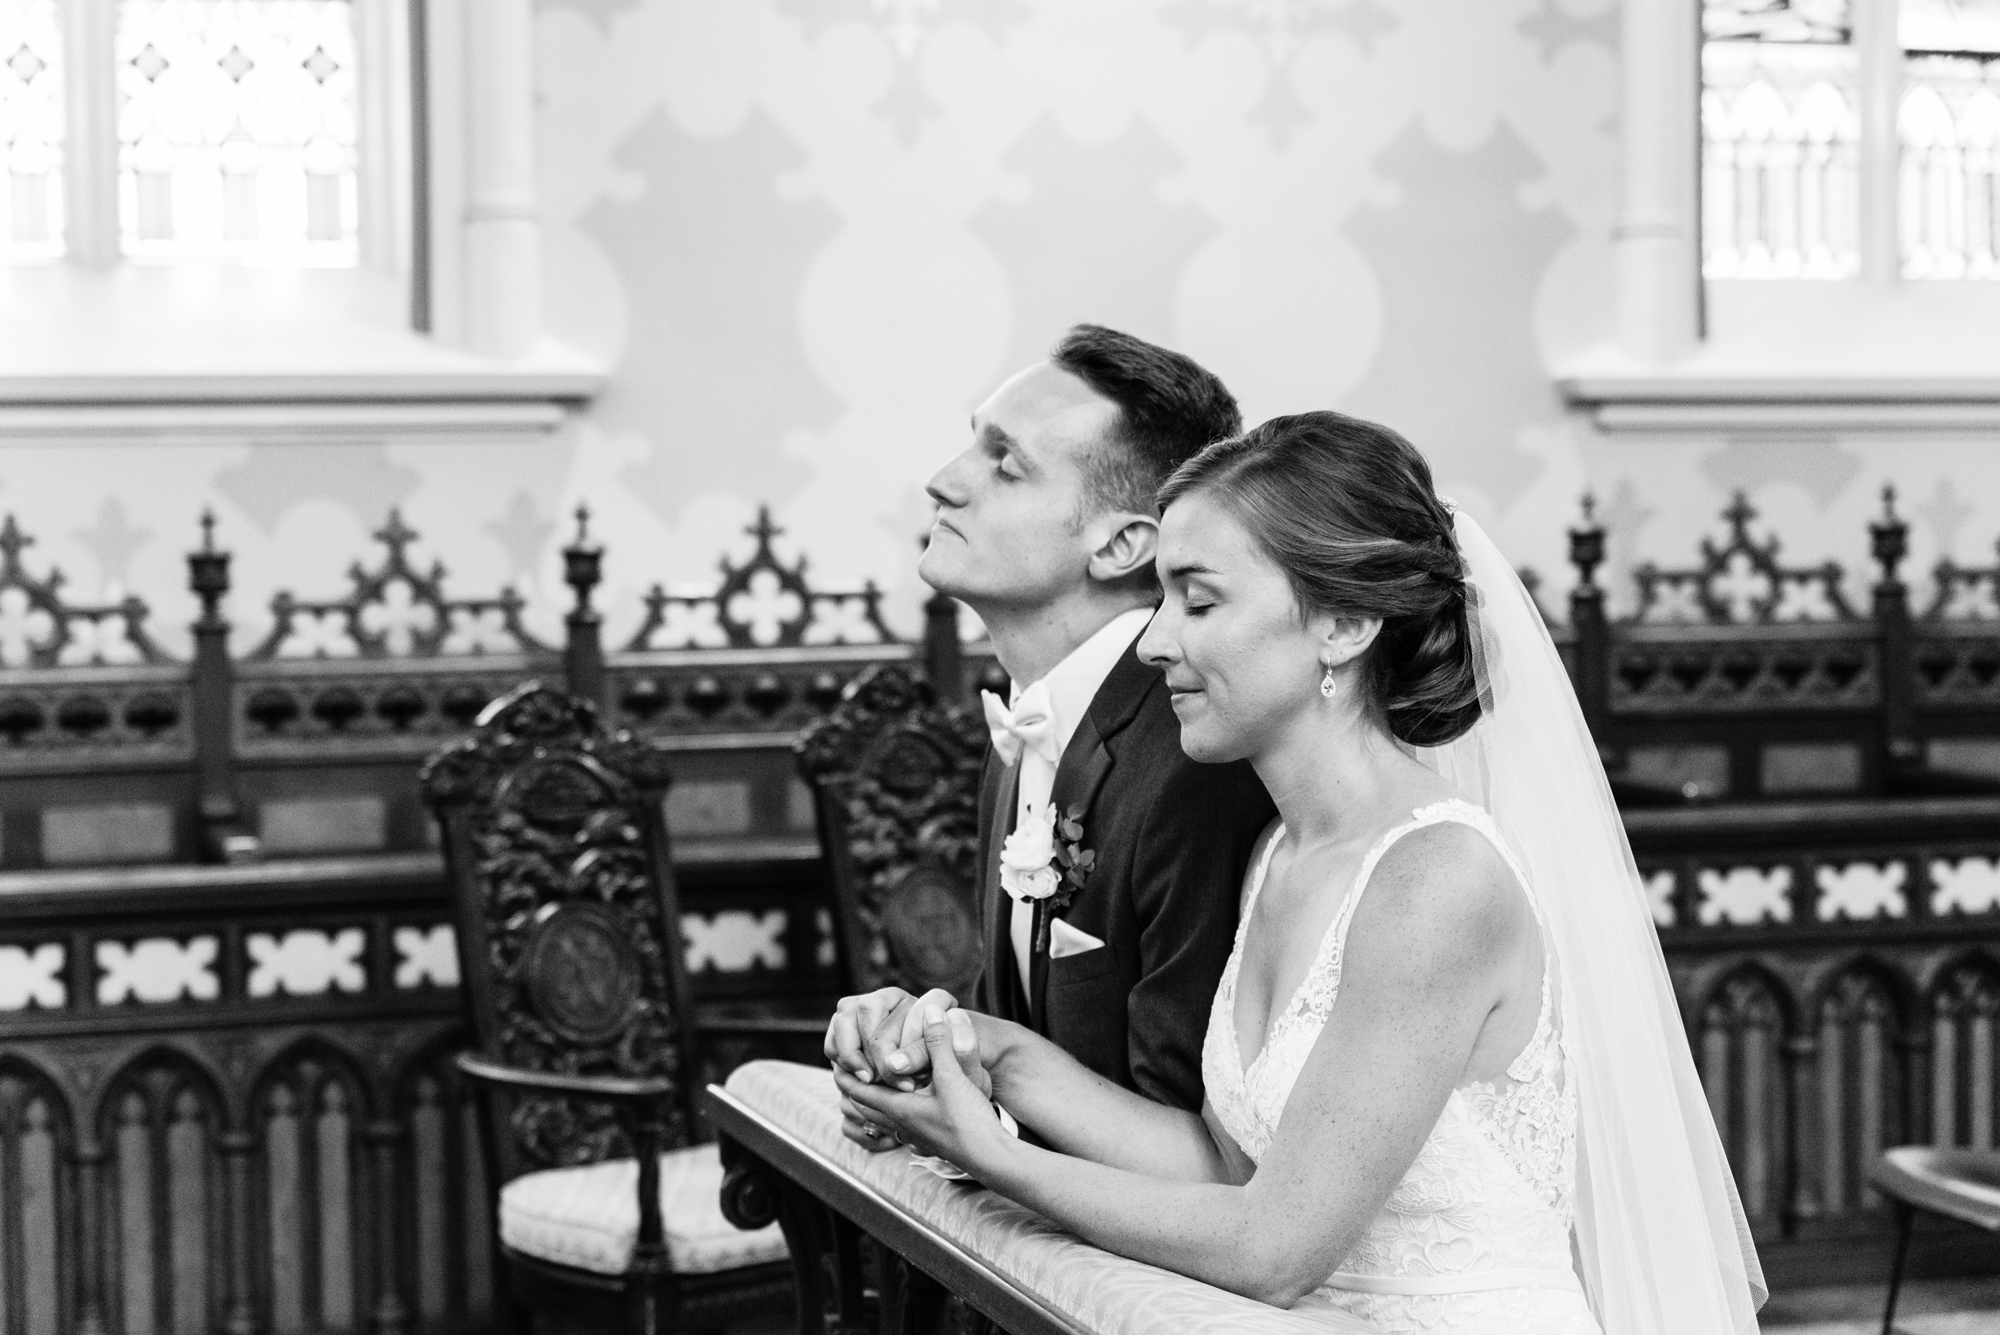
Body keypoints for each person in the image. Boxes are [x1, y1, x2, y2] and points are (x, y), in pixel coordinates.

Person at [835, 412, 1767, 1334]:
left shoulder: (1436, 879)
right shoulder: (1280, 850)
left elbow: (1274, 1250)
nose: (1155, 642)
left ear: (1345, 623)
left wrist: (987, 1154)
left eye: (1198, 602)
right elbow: (1225, 1164)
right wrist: (984, 1055)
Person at [829, 325, 1274, 1123]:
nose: (942, 482)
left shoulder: (1194, 758)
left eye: (1005, 465)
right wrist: (915, 1058)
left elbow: (1192, 1126)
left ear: (1123, 543)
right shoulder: (1024, 730)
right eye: (971, 447)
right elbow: (1021, 1029)